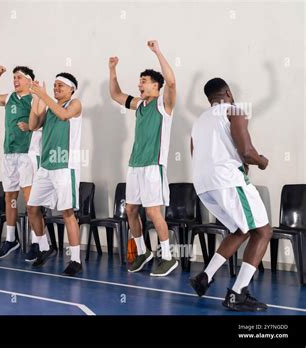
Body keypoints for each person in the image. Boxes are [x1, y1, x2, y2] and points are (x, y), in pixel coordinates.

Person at [189, 77, 272, 312]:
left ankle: (204, 276)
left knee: (241, 228)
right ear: (227, 92)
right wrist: (262, 161)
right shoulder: (235, 111)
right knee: (263, 231)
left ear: (209, 98)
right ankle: (238, 293)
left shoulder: (199, 122)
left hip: (203, 185)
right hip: (227, 180)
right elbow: (247, 152)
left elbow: (197, 155)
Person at [108, 40, 178, 276]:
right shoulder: (140, 105)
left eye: (144, 81)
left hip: (153, 167)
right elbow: (116, 95)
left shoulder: (163, 104)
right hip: (135, 166)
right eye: (139, 81)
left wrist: (158, 51)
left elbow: (172, 81)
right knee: (130, 210)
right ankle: (142, 251)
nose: (139, 84)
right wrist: (112, 70)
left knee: (153, 212)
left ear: (156, 86)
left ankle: (168, 257)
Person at [26, 72, 83, 276]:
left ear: (71, 89)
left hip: (65, 167)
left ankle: (76, 260)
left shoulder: (75, 104)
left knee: (67, 213)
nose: (56, 88)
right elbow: (32, 125)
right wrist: (36, 99)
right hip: (46, 167)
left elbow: (64, 115)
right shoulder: (50, 108)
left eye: (60, 86)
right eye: (54, 85)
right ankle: (44, 247)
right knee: (32, 208)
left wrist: (44, 95)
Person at [0, 65, 41, 259]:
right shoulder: (9, 98)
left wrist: (31, 127)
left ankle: (36, 242)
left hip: (27, 154)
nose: (15, 80)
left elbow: (45, 122)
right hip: (9, 154)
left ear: (29, 81)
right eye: (14, 77)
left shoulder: (35, 98)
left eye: (19, 77)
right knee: (10, 198)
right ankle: (11, 239)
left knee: (31, 200)